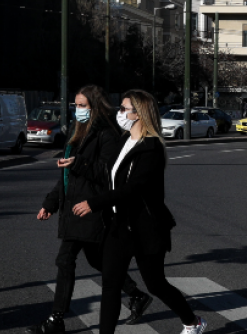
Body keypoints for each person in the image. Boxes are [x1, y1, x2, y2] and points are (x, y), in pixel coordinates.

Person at [73, 89, 207, 334]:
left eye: (124, 109)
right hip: (119, 225)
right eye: (120, 108)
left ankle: (192, 322)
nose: (119, 113)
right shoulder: (125, 141)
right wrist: (78, 164)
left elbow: (133, 188)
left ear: (140, 114)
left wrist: (94, 203)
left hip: (145, 228)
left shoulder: (151, 148)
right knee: (110, 286)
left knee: (155, 284)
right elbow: (110, 176)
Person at [26, 85, 152, 334]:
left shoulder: (107, 135)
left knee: (65, 259)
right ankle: (136, 295)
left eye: (82, 105)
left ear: (95, 107)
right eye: (76, 105)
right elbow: (66, 176)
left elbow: (108, 173)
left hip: (90, 207)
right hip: (73, 205)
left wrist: (79, 163)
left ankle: (56, 320)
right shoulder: (77, 132)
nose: (78, 110)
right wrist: (50, 203)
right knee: (97, 260)